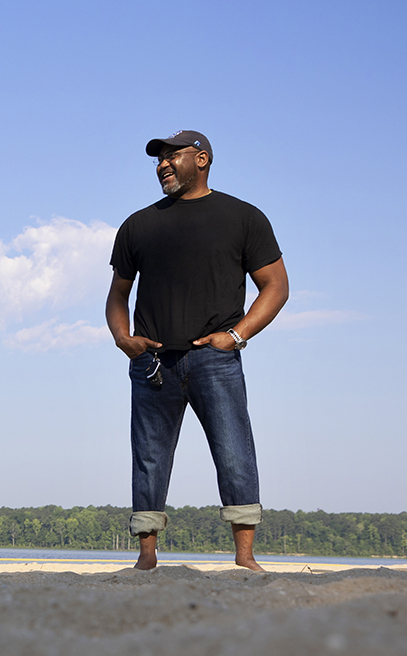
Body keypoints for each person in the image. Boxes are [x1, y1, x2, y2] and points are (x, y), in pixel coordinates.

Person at [105, 129, 289, 571]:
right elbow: (117, 296)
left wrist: (237, 336)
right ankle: (146, 558)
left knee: (234, 451)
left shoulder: (243, 218)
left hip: (215, 360)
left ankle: (245, 559)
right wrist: (122, 338)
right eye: (158, 159)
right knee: (149, 457)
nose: (162, 165)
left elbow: (276, 287)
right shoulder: (138, 225)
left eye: (172, 156)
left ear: (201, 158)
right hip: (152, 362)